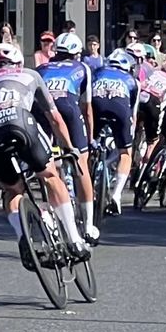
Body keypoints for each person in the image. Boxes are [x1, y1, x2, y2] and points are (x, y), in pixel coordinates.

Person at [0, 42, 87, 266]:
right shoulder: (30, 75)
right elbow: (54, 118)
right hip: (21, 123)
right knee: (49, 175)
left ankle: (22, 237)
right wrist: (69, 147)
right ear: (18, 62)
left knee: (12, 189)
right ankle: (75, 240)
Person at [37, 32, 99, 240]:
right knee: (81, 164)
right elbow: (87, 108)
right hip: (68, 108)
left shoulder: (42, 68)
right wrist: (89, 139)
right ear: (76, 54)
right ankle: (89, 225)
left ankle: (52, 209)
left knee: (47, 163)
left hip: (41, 111)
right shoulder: (82, 68)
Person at [91, 48, 140, 212]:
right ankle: (116, 195)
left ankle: (84, 184)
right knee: (126, 153)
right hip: (119, 108)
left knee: (86, 146)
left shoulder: (98, 71)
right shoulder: (132, 80)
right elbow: (132, 112)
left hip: (96, 105)